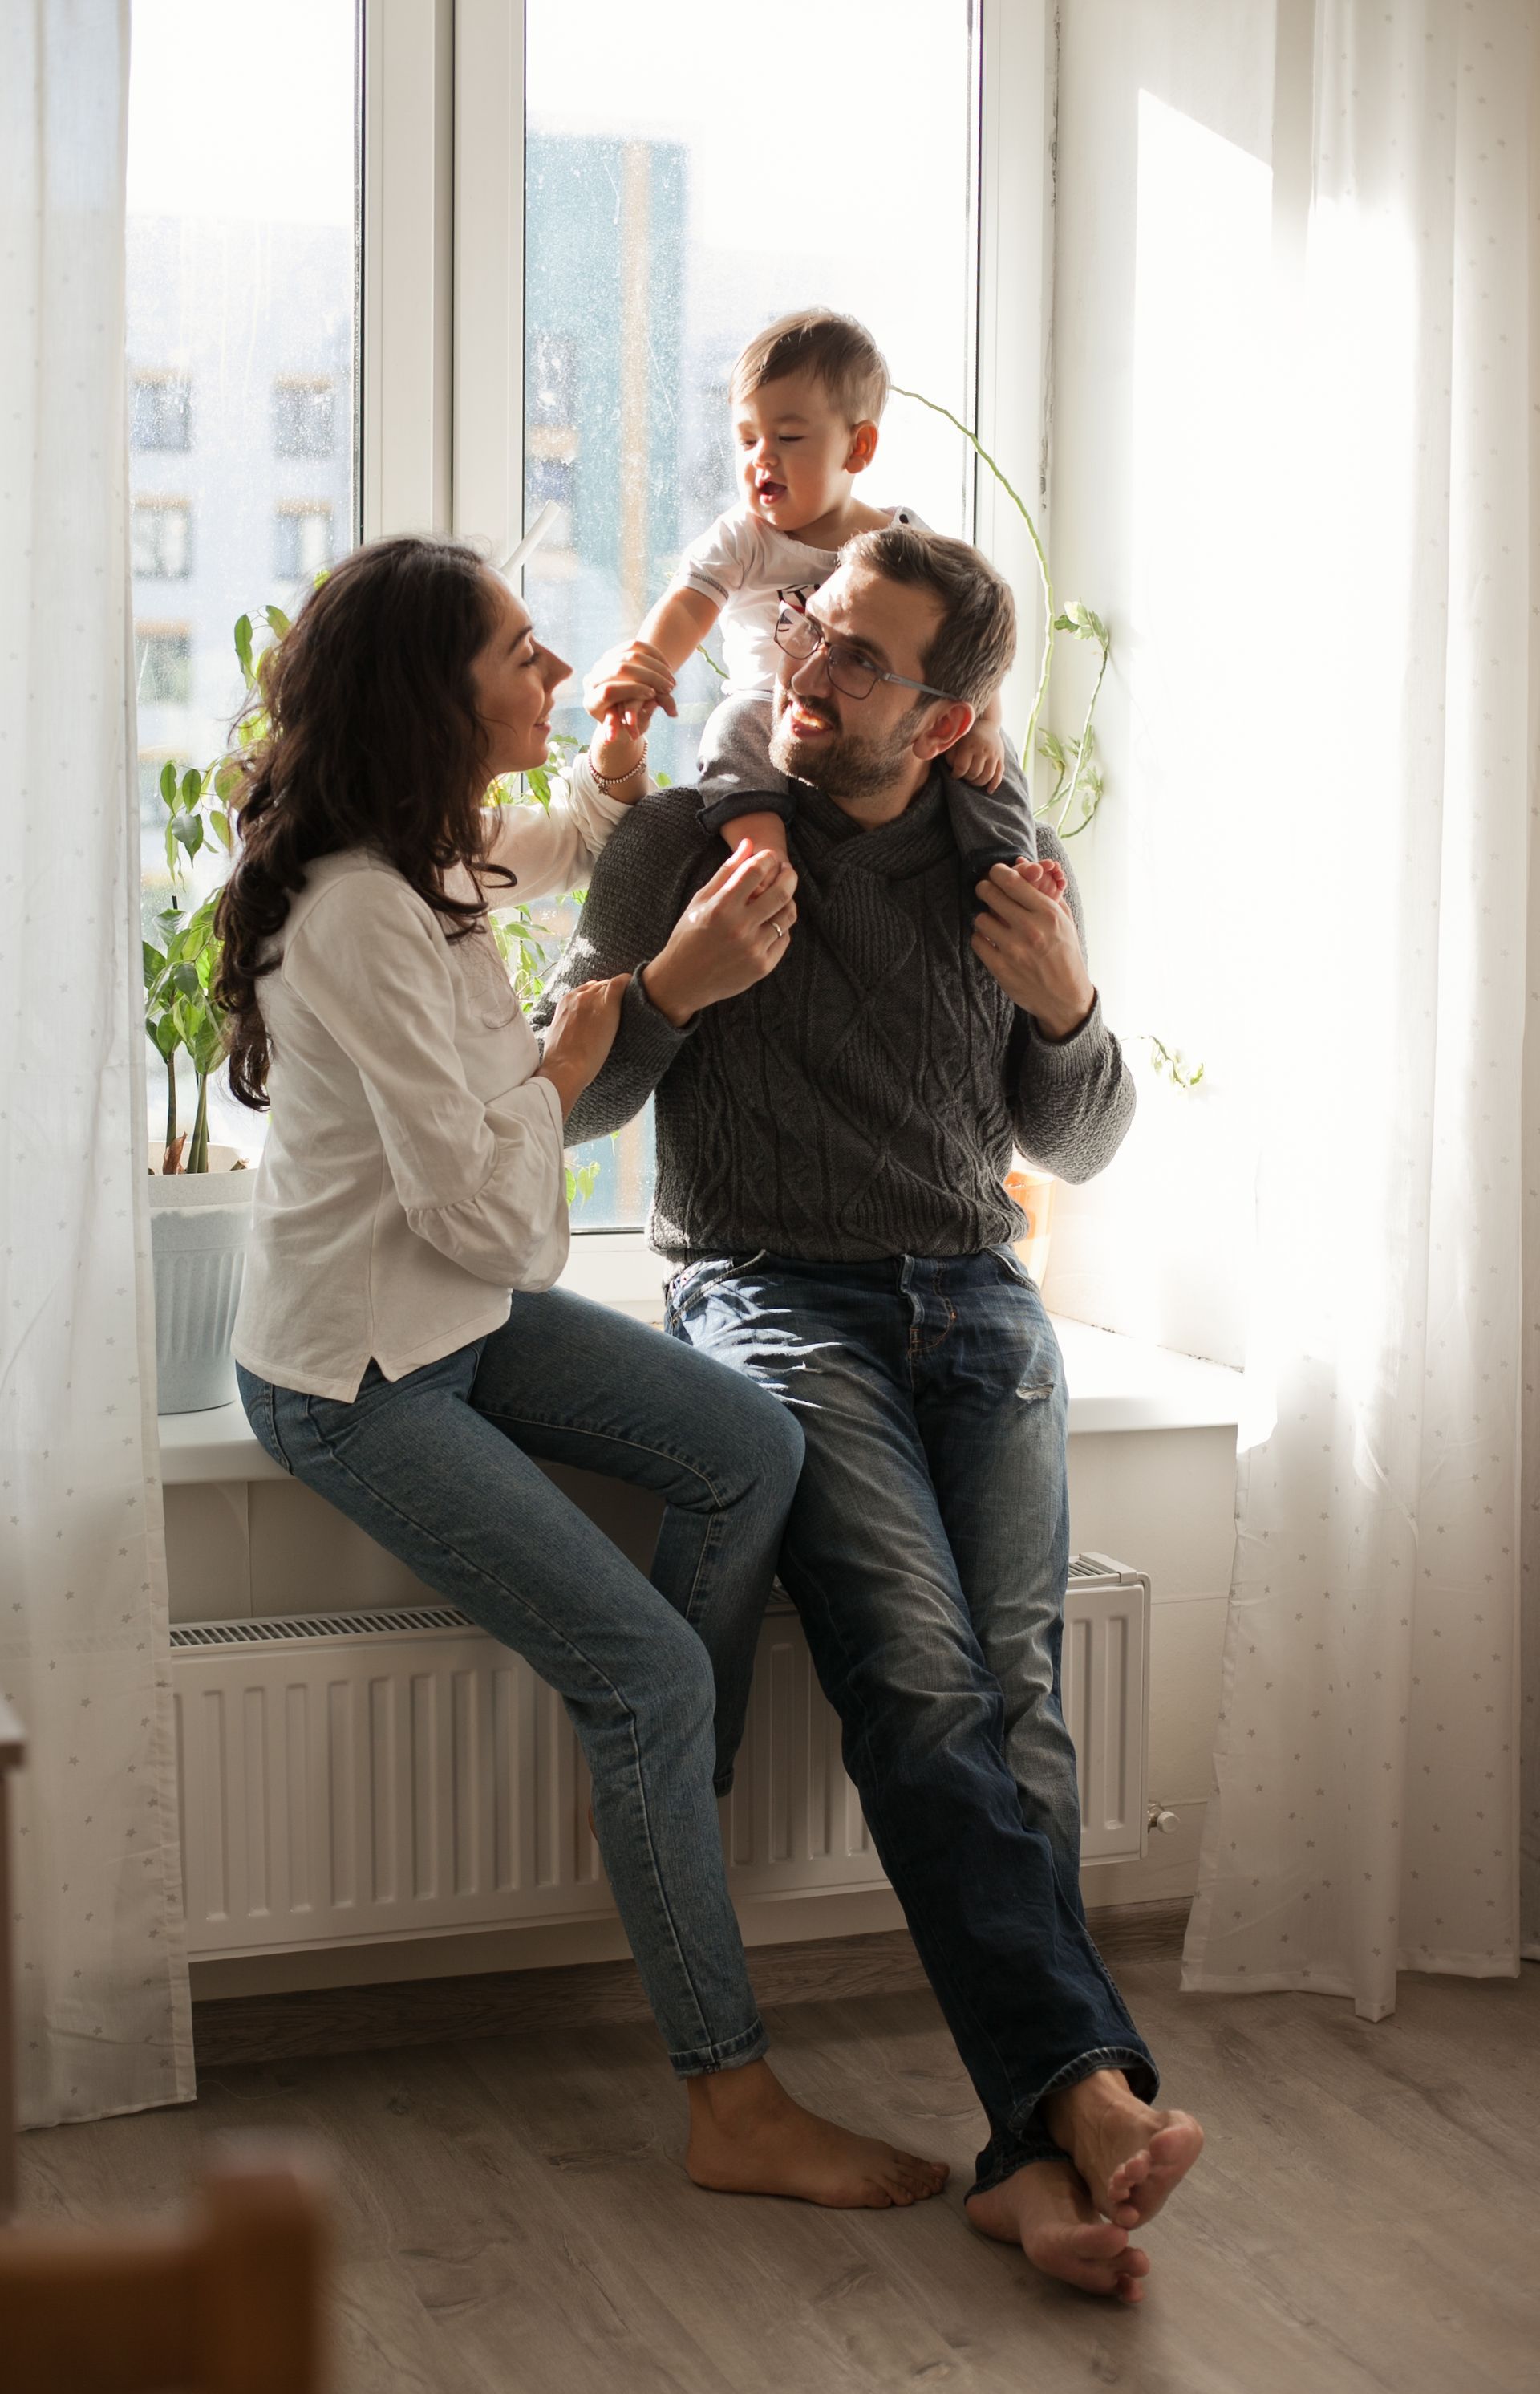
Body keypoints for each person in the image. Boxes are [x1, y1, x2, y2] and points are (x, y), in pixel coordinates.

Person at [213, 532, 950, 2212]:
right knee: (649, 1672)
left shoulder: (429, 847)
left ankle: (653, 1795)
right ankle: (729, 2094)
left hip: (454, 1311)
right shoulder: (352, 918)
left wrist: (619, 768)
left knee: (751, 1448)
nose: (556, 671)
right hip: (360, 1372)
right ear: (431, 696)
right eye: (525, 655)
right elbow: (490, 1211)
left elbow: (570, 844)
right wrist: (608, 1033)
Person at [542, 524, 1205, 2303]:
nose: (811, 668)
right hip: (768, 1289)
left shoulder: (1009, 851)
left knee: (1021, 1704)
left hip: (977, 1296)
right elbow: (563, 1106)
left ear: (951, 713)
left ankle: (1031, 2158)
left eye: (863, 660)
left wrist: (1069, 1011)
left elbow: (1073, 1139)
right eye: (814, 629)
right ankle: (1091, 2088)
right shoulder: (693, 837)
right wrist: (682, 976)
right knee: (923, 1679)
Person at [603, 307, 1037, 890]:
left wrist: (986, 722)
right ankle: (762, 858)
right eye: (747, 439)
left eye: (788, 437)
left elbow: (965, 640)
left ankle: (1010, 867)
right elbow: (687, 605)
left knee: (990, 754)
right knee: (731, 733)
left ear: (858, 448)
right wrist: (648, 667)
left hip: (874, 724)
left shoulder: (903, 540)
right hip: (766, 701)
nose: (762, 457)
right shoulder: (744, 536)